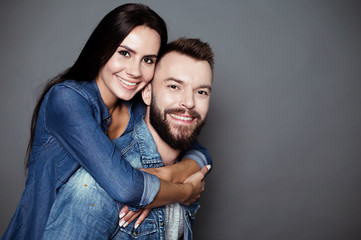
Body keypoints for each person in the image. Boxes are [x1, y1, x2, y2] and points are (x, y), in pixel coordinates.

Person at [2, 4, 211, 240]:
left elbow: (197, 150)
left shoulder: (136, 104)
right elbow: (128, 188)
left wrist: (166, 174)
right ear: (103, 48)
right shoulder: (67, 100)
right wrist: (184, 191)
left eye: (148, 60)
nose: (134, 71)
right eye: (125, 53)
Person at [42, 37, 215, 240]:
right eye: (174, 87)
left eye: (201, 92)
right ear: (148, 94)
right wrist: (181, 191)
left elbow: (202, 155)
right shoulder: (95, 187)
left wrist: (171, 176)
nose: (189, 103)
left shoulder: (191, 171)